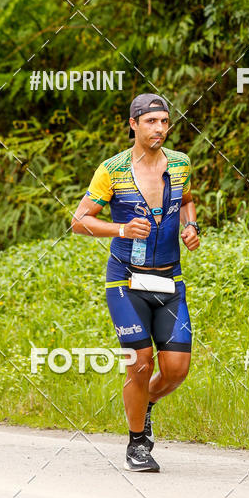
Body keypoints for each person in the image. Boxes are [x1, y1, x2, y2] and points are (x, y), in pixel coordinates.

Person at [71, 94, 200, 472]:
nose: (159, 128)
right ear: (133, 124)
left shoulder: (180, 163)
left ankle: (144, 406)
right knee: (141, 364)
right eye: (151, 122)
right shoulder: (112, 170)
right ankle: (137, 444)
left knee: (176, 369)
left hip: (169, 280)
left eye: (165, 122)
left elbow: (187, 200)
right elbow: (79, 221)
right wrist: (121, 229)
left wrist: (191, 225)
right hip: (126, 281)